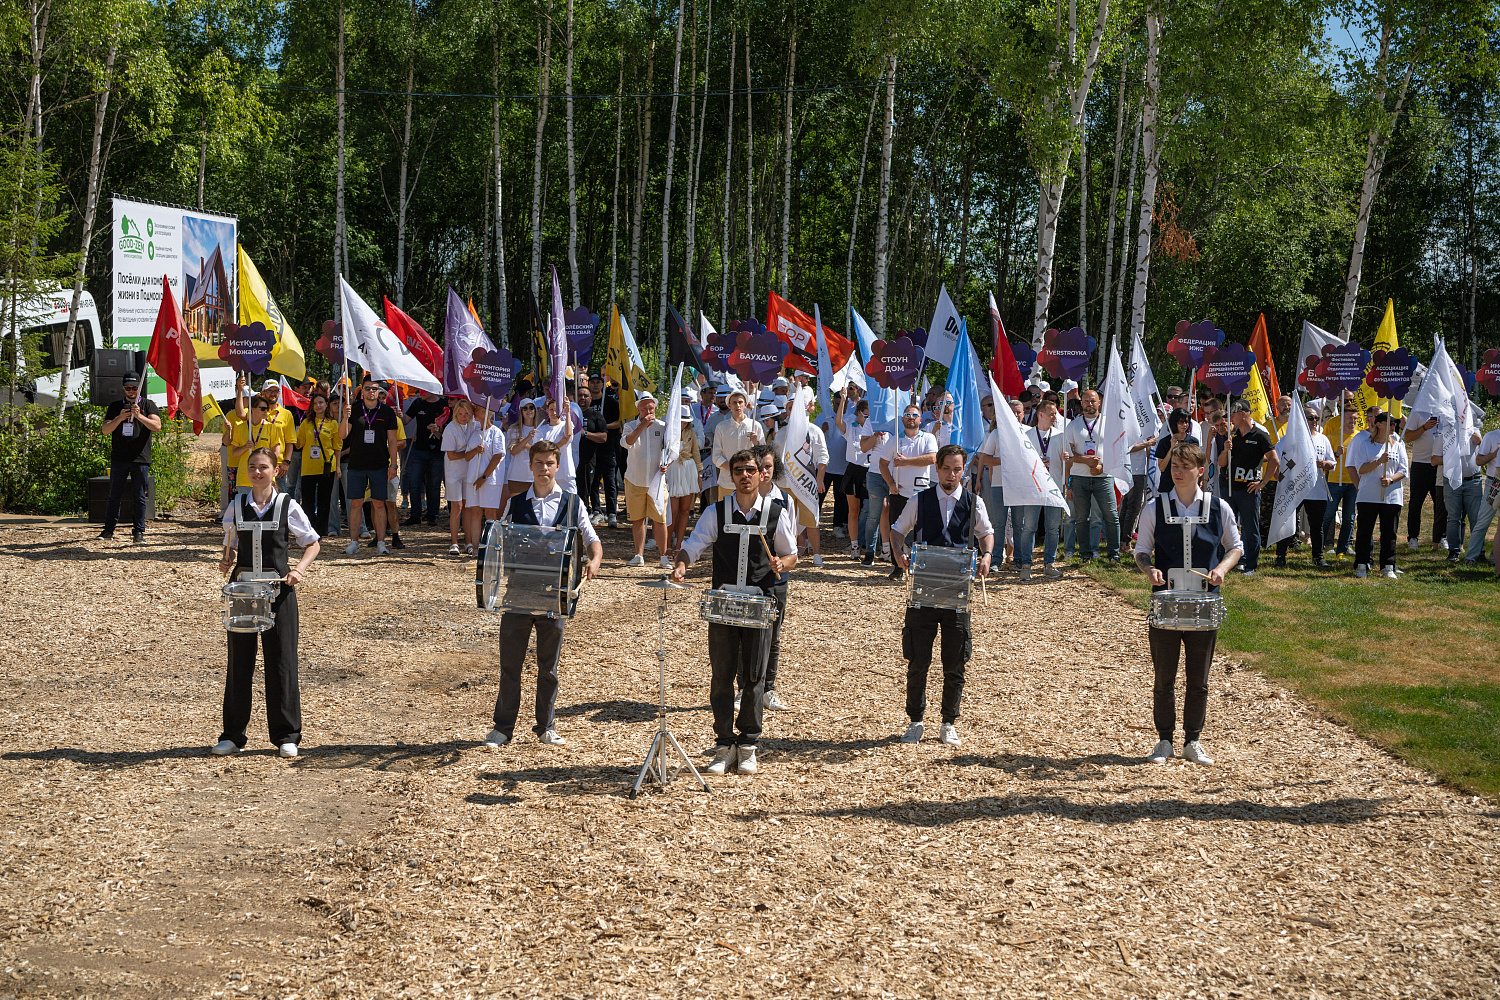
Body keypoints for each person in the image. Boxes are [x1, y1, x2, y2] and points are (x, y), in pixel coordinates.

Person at [670, 449, 799, 776]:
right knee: (722, 676)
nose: (744, 475)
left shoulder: (775, 512)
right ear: (732, 475)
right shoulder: (716, 511)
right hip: (724, 604)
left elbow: (792, 555)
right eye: (738, 470)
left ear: (760, 475)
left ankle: (748, 745)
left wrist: (781, 563)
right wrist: (682, 564)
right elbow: (694, 544)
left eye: (750, 470)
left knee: (754, 677)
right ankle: (724, 743)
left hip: (760, 604)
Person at [481, 439, 602, 750]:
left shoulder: (574, 503)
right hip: (518, 595)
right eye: (539, 463)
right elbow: (498, 541)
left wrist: (595, 560)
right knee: (510, 666)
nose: (544, 468)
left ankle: (546, 726)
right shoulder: (516, 502)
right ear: (530, 466)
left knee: (549, 668)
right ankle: (502, 729)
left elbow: (592, 541)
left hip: (556, 597)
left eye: (550, 463)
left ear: (557, 466)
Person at [1134, 441, 1242, 766]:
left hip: (1204, 604)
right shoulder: (1155, 507)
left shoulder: (1218, 507)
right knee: (1163, 677)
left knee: (1199, 679)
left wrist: (1221, 569)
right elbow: (1141, 550)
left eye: (1186, 467)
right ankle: (1164, 741)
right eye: (1175, 467)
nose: (1178, 472)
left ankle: (1192, 741)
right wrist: (1148, 568)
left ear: (1200, 471)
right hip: (1165, 604)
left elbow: (1235, 546)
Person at [213, 447, 321, 758]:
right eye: (252, 467)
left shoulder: (288, 505)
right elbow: (230, 545)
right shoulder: (236, 504)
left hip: (279, 590)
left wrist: (299, 569)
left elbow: (312, 543)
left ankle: (287, 735)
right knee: (239, 662)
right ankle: (232, 735)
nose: (257, 472)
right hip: (244, 591)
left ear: (276, 471)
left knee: (282, 661)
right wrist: (227, 559)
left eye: (263, 467)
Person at [892, 444, 995, 745]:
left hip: (958, 595)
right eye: (947, 468)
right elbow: (897, 531)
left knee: (955, 661)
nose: (952, 474)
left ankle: (948, 722)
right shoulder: (919, 500)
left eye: (957, 469)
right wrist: (899, 553)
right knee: (918, 660)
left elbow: (986, 533)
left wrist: (987, 556)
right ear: (937, 468)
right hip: (923, 593)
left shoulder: (974, 502)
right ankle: (915, 720)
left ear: (963, 470)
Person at [337, 379, 400, 555]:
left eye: (374, 388)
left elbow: (393, 441)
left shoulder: (387, 411)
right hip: (356, 463)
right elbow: (342, 435)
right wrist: (344, 417)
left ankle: (381, 542)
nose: (371, 391)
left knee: (379, 504)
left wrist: (393, 465)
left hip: (379, 464)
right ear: (362, 391)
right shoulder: (354, 409)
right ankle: (353, 542)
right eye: (368, 388)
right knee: (356, 504)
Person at [98, 372, 162, 544]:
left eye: (134, 388)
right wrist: (120, 417)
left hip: (140, 458)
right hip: (119, 458)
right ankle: (109, 529)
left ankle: (138, 532)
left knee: (139, 496)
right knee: (114, 495)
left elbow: (157, 426)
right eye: (128, 388)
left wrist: (140, 416)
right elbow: (105, 430)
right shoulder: (115, 406)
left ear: (139, 389)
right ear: (123, 388)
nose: (131, 391)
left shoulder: (148, 405)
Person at [1012, 391, 1068, 580]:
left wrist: (1067, 459)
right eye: (1052, 413)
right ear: (1040, 414)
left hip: (1053, 486)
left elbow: (1067, 462)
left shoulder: (1060, 435)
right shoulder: (1026, 434)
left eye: (1056, 414)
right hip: (1032, 487)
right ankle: (1026, 564)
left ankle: (1049, 563)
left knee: (1053, 527)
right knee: (1029, 526)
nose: (1055, 417)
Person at [882, 402, 939, 580]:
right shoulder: (894, 441)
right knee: (897, 530)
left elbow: (932, 458)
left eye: (914, 415)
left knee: (922, 530)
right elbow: (883, 464)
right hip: (900, 493)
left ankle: (920, 566)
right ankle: (897, 566)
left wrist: (906, 461)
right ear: (902, 419)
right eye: (907, 415)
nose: (911, 418)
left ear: (920, 419)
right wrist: (890, 483)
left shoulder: (928, 438)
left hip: (922, 493)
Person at [1063, 388, 1121, 564]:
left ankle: (1114, 554)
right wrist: (1084, 462)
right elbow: (1067, 455)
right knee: (1082, 518)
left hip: (1104, 477)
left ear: (1099, 402)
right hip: (1079, 478)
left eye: (1093, 401)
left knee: (1111, 515)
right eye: (1086, 401)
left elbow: (1118, 452)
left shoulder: (1109, 423)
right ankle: (1086, 554)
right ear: (1081, 403)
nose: (1089, 404)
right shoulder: (1073, 425)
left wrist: (1102, 466)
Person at [1274, 406, 1336, 568]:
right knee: (1287, 523)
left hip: (1317, 490)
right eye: (1310, 418)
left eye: (1316, 418)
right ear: (1302, 420)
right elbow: (1276, 457)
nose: (1314, 421)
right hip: (1295, 489)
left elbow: (1332, 463)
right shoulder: (1290, 439)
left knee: (1316, 526)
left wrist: (1325, 464)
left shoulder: (1323, 439)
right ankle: (1280, 556)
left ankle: (1318, 557)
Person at [1348, 411, 1409, 579]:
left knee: (1389, 532)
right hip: (1368, 494)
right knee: (1364, 531)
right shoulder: (1365, 444)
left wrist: (1390, 480)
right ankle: (1361, 564)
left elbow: (1404, 470)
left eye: (1394, 424)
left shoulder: (1398, 444)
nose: (1393, 426)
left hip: (1392, 495)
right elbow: (1360, 468)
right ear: (1379, 424)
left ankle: (1388, 565)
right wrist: (1378, 462)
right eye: (1389, 423)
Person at [1223, 400, 1277, 576]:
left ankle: (1251, 564)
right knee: (1228, 525)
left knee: (1250, 527)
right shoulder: (1233, 436)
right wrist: (1225, 450)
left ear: (1243, 414)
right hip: (1231, 488)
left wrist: (1263, 483)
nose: (1231, 418)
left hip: (1249, 490)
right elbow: (1221, 463)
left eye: (1234, 414)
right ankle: (1231, 559)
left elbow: (1274, 460)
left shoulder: (1260, 435)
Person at [623, 391, 670, 567]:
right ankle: (638, 555)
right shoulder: (630, 426)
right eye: (644, 409)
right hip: (635, 479)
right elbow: (626, 442)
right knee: (638, 519)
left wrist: (668, 464)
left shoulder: (663, 427)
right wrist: (641, 426)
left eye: (651, 408)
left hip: (656, 481)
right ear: (638, 410)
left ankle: (663, 556)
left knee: (660, 519)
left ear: (655, 407)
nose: (648, 412)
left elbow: (671, 450)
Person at [295, 391, 342, 537]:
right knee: (307, 501)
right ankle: (309, 530)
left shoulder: (333, 423)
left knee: (324, 500)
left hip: (327, 466)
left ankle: (321, 530)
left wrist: (338, 466)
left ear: (326, 404)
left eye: (321, 403)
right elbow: (298, 444)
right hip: (308, 467)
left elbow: (337, 446)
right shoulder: (306, 423)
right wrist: (288, 435)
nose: (318, 406)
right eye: (315, 403)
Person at [442, 397, 486, 555]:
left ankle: (468, 541)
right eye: (460, 414)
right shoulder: (450, 429)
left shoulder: (475, 426)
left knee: (468, 507)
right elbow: (452, 455)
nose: (463, 417)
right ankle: (454, 542)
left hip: (470, 471)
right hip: (454, 472)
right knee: (457, 506)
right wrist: (471, 453)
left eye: (466, 413)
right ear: (455, 414)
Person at [1404, 410, 1449, 552]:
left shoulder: (1446, 411)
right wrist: (1424, 428)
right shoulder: (1417, 412)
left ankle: (1441, 536)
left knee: (1441, 503)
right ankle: (1413, 537)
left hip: (1440, 465)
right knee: (1416, 503)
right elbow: (1408, 437)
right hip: (1421, 464)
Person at [1441, 422, 1486, 564]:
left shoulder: (1473, 429)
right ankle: (1454, 551)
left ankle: (1478, 552)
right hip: (1452, 480)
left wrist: (1466, 428)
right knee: (1453, 518)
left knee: (1476, 519)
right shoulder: (1446, 432)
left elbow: (1479, 441)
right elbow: (1434, 459)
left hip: (1473, 481)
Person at [402, 388, 447, 527]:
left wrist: (438, 430)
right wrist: (398, 415)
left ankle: (432, 515)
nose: (421, 393)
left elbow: (450, 427)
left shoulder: (444, 404)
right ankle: (415, 515)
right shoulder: (417, 403)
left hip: (437, 450)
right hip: (419, 449)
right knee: (414, 482)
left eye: (424, 390)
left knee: (434, 485)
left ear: (432, 389)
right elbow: (405, 420)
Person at [709, 388, 765, 499]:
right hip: (727, 482)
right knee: (726, 514)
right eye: (734, 403)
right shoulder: (721, 427)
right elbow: (716, 456)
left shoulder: (755, 425)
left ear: (745, 405)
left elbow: (763, 454)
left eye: (740, 402)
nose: (737, 405)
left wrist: (756, 442)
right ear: (729, 405)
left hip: (750, 481)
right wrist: (734, 469)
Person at [667, 389, 703, 554]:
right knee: (672, 510)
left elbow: (696, 455)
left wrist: (700, 476)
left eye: (685, 420)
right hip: (673, 470)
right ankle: (666, 544)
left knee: (685, 510)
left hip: (689, 471)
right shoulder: (668, 433)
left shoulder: (692, 434)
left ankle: (679, 544)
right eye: (680, 420)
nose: (683, 423)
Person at [1323, 404, 1360, 557]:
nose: (1353, 421)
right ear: (1343, 418)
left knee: (1349, 517)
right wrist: (1336, 454)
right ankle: (1324, 544)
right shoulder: (1332, 437)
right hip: (1334, 481)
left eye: (1355, 418)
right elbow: (1325, 459)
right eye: (1350, 418)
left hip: (1353, 482)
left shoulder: (1360, 437)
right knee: (1328, 515)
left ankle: (1343, 548)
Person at [840, 396, 871, 558]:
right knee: (854, 510)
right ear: (858, 414)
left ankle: (873, 545)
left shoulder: (874, 429)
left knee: (873, 509)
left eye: (870, 416)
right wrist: (843, 402)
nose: (867, 419)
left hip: (870, 471)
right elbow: (839, 423)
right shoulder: (851, 427)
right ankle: (854, 546)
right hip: (853, 470)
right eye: (865, 415)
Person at [577, 382, 608, 524]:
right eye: (579, 395)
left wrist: (585, 433)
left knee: (586, 488)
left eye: (585, 396)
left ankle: (587, 513)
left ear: (590, 399)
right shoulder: (569, 413)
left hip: (588, 458)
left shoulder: (596, 416)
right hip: (570, 458)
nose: (582, 398)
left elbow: (603, 437)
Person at [505, 396, 542, 499]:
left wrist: (526, 445)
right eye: (525, 408)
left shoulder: (541, 429)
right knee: (517, 508)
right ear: (521, 412)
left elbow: (541, 453)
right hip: (517, 476)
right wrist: (527, 438)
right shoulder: (514, 429)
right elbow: (513, 451)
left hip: (536, 477)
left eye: (531, 407)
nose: (528, 410)